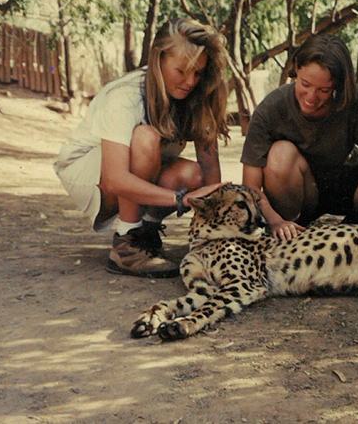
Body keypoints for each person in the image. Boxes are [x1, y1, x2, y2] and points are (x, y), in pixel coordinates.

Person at [55, 17, 230, 278]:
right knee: (145, 137)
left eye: (198, 72)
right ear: (158, 60)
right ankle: (127, 242)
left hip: (133, 168)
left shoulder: (198, 93)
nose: (191, 81)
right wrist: (181, 200)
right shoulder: (126, 96)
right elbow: (115, 179)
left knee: (193, 175)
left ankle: (147, 235)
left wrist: (215, 230)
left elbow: (209, 168)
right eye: (181, 71)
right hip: (90, 175)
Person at [241, 33, 358, 240]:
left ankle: (356, 227)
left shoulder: (355, 102)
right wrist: (275, 221)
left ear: (339, 85)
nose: (311, 97)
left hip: (349, 184)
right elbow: (250, 186)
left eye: (324, 90)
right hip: (301, 192)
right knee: (280, 153)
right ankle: (291, 228)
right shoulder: (271, 108)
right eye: (305, 84)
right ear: (296, 70)